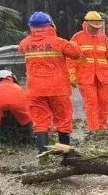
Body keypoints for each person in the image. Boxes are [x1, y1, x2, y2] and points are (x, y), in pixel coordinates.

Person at [18, 11, 81, 152]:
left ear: (31, 27)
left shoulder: (25, 43)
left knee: (40, 122)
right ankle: (65, 156)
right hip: (58, 89)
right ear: (51, 25)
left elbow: (21, 48)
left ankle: (43, 155)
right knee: (63, 120)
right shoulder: (59, 42)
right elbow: (76, 54)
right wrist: (74, 43)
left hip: (35, 90)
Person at [70, 11, 108, 134]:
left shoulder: (103, 39)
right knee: (91, 103)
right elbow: (70, 57)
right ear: (86, 24)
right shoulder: (77, 38)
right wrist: (72, 73)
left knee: (106, 101)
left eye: (97, 27)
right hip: (85, 77)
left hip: (102, 76)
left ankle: (102, 125)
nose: (96, 30)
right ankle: (94, 129)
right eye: (93, 27)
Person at [0, 70, 33, 147]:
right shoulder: (19, 87)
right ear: (12, 78)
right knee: (28, 118)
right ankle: (31, 138)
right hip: (18, 102)